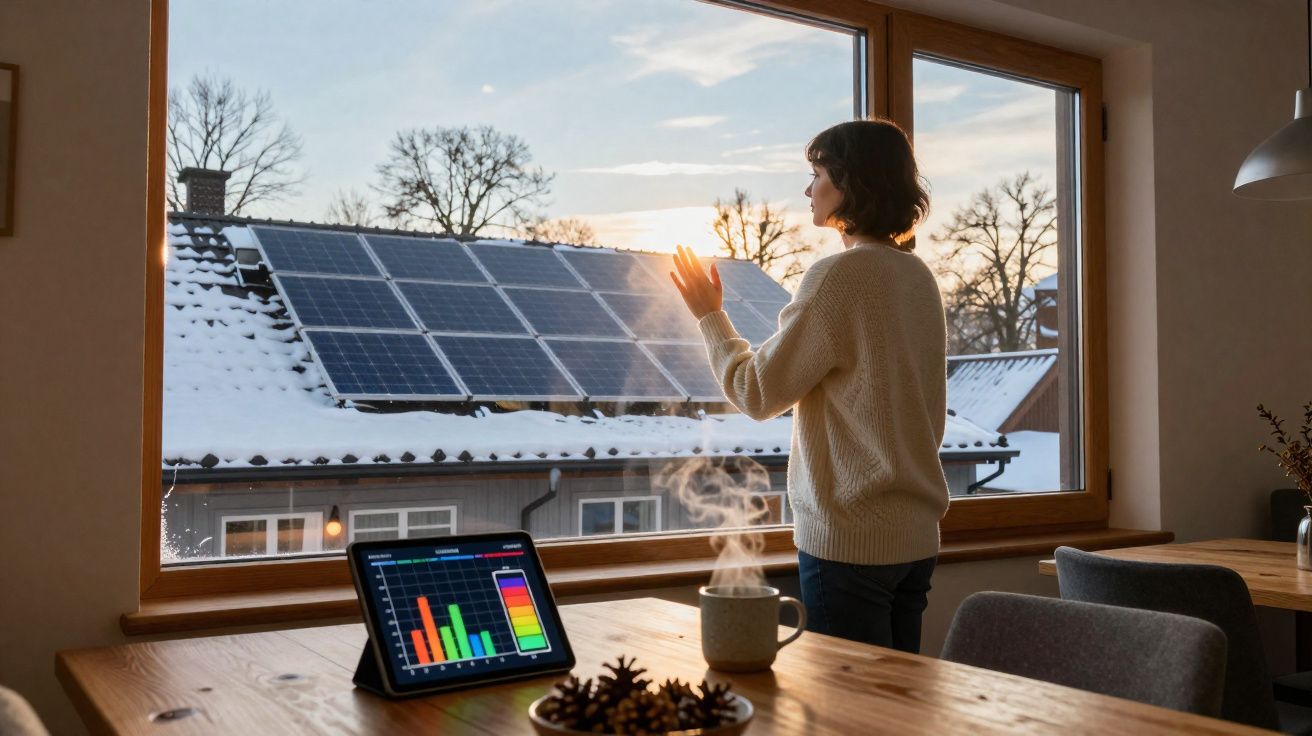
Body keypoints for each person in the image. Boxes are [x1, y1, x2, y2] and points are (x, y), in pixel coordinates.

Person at [669, 118, 948, 654]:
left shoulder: (839, 276)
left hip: (851, 544)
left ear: (850, 182)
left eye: (818, 173)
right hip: (914, 541)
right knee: (900, 710)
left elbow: (755, 392)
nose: (809, 188)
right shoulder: (918, 278)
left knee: (848, 713)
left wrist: (710, 317)